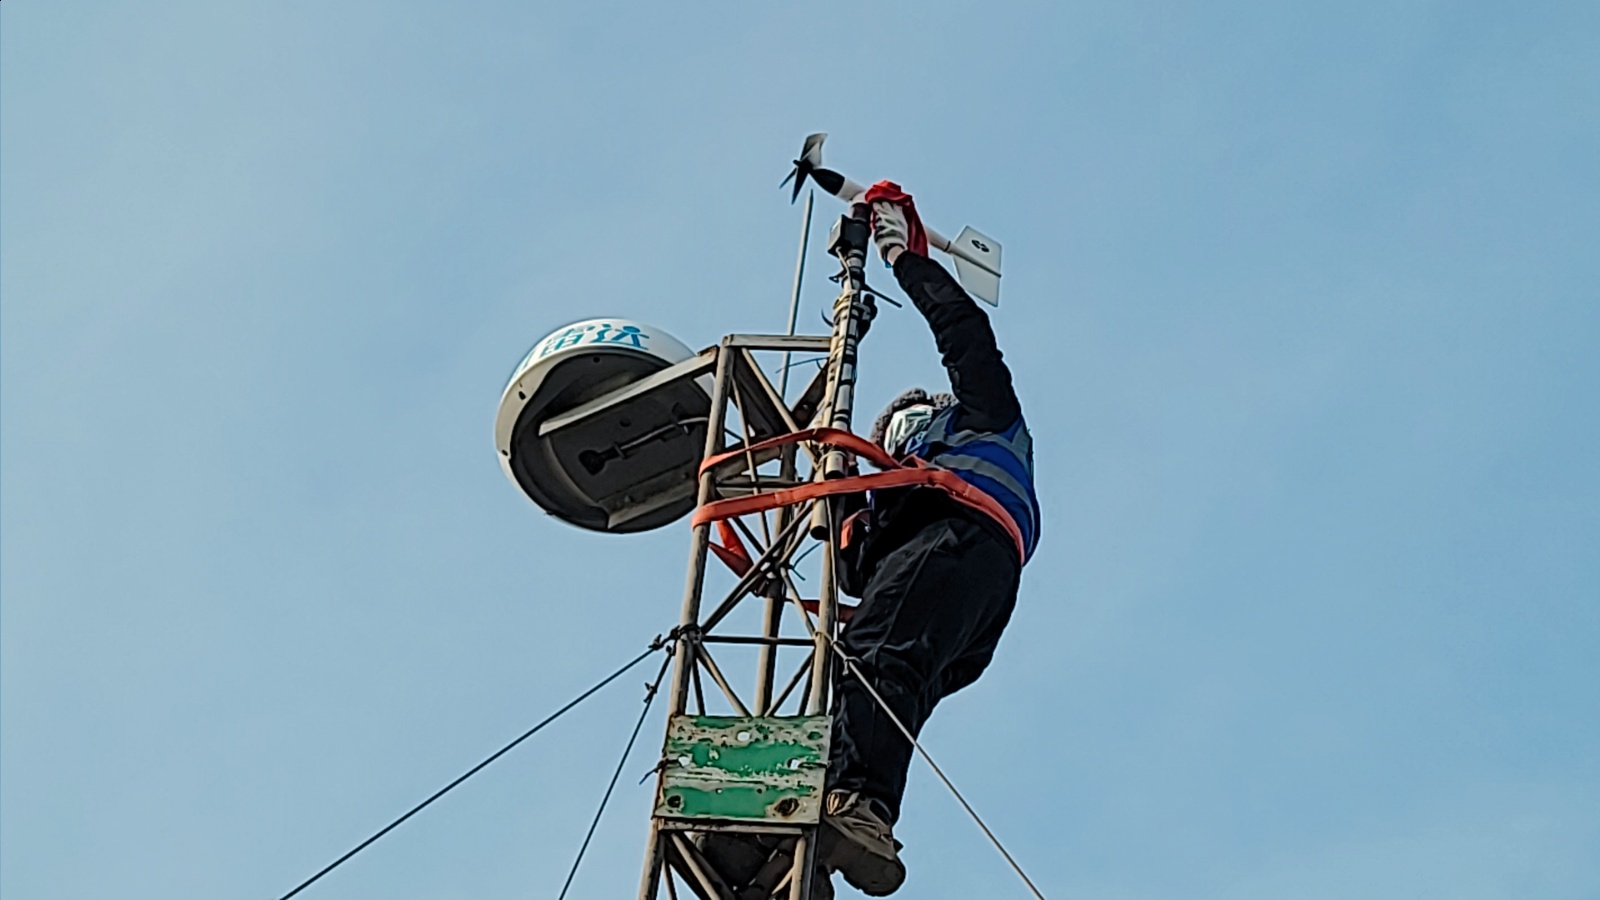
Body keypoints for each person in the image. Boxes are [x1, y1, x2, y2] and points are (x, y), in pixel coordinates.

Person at [816, 183, 1041, 897]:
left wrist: (903, 258)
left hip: (964, 538)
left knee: (878, 658)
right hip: (968, 588)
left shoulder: (984, 420)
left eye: (905, 422)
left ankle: (862, 810)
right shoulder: (890, 507)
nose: (898, 439)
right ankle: (819, 832)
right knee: (867, 670)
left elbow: (964, 333)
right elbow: (851, 573)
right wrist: (842, 487)